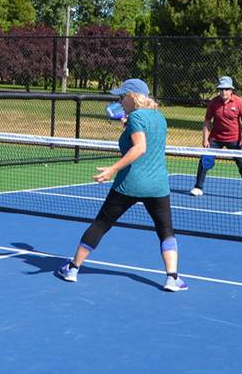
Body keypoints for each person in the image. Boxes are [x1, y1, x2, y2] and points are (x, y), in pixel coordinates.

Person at [55, 78, 188, 292]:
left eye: (122, 96)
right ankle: (172, 278)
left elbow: (140, 147)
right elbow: (148, 138)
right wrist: (127, 127)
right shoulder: (160, 117)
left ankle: (72, 268)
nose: (119, 100)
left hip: (129, 184)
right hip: (158, 185)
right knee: (166, 231)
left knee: (101, 224)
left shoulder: (135, 117)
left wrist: (112, 169)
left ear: (132, 97)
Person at [189, 75, 242, 201]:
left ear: (231, 90)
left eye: (226, 89)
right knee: (204, 160)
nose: (223, 92)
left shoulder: (239, 102)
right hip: (215, 138)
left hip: (234, 139)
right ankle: (198, 187)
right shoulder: (213, 102)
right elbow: (207, 121)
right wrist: (205, 139)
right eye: (221, 89)